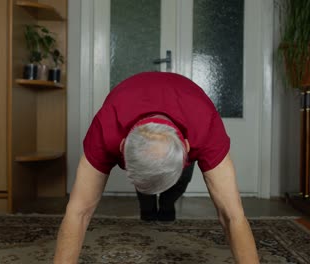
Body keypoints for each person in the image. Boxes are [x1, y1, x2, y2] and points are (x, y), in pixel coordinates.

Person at [54, 72, 259, 263]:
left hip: (190, 118)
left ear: (187, 147)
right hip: (132, 111)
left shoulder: (206, 126)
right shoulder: (106, 127)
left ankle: (167, 201)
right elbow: (78, 213)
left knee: (231, 209)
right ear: (122, 145)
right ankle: (149, 204)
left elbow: (233, 216)